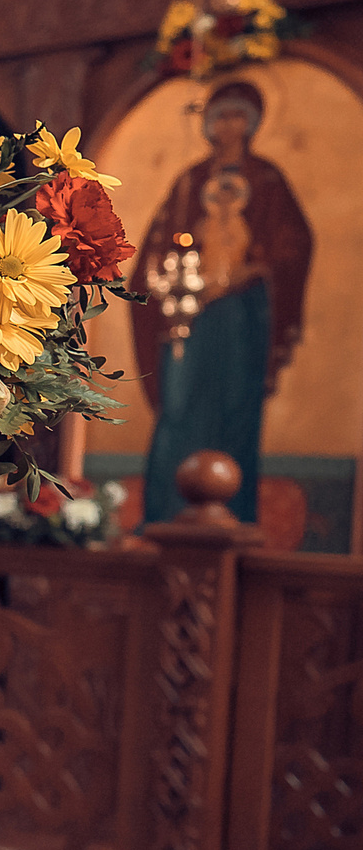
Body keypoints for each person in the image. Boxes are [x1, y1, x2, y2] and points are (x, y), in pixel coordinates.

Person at [129, 79, 316, 525]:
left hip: (240, 316)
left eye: (238, 116)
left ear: (251, 124)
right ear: (209, 125)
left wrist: (252, 268)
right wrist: (174, 281)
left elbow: (295, 244)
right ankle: (163, 519)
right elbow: (156, 251)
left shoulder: (267, 180)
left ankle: (233, 520)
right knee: (180, 408)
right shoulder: (189, 182)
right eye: (221, 117)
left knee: (236, 408)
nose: (229, 126)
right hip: (189, 316)